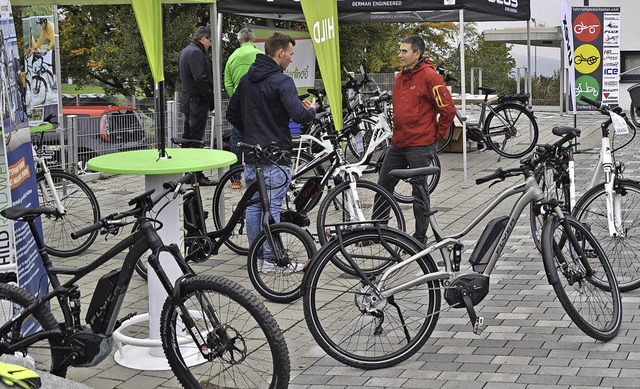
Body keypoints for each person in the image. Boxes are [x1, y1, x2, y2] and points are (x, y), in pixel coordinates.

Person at [226, 32, 316, 271]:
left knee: (255, 207)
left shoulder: (246, 80)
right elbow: (299, 115)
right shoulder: (282, 81)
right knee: (272, 207)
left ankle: (258, 258)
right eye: (291, 54)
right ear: (280, 53)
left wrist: (252, 130)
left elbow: (232, 114)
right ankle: (271, 259)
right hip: (276, 154)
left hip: (251, 154)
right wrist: (312, 110)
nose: (291, 60)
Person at [376, 35, 456, 245]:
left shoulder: (431, 77)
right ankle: (378, 229)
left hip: (420, 145)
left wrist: (435, 136)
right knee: (383, 185)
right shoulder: (400, 77)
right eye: (400, 51)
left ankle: (420, 237)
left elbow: (448, 110)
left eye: (404, 51)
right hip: (398, 143)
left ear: (417, 54)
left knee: (419, 191)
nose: (400, 55)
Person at [223, 27, 262, 189]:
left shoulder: (232, 57)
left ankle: (235, 179)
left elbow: (227, 82)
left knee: (237, 140)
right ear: (254, 40)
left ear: (239, 40)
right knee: (257, 139)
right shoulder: (260, 56)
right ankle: (254, 176)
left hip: (239, 105)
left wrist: (236, 97)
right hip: (258, 104)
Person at [178, 25, 216, 186]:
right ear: (204, 38)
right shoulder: (195, 52)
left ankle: (188, 173)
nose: (210, 45)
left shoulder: (187, 50)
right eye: (210, 41)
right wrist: (210, 97)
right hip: (197, 101)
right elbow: (200, 78)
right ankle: (196, 175)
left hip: (189, 100)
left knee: (188, 139)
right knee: (196, 140)